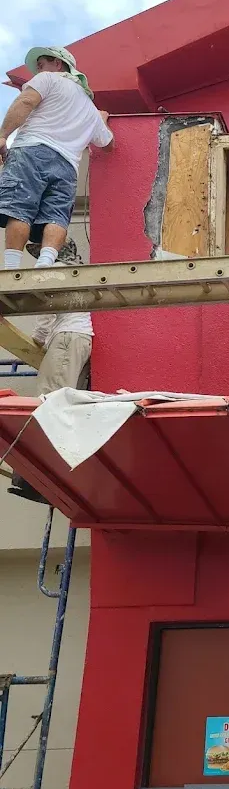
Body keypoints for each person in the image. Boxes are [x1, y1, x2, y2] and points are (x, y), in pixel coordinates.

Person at [0, 46, 113, 272]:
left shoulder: (48, 79)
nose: (37, 70)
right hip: (67, 166)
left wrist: (3, 135)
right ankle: (46, 263)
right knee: (56, 215)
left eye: (40, 64)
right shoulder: (90, 109)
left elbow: (26, 102)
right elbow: (108, 144)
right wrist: (102, 120)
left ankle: (12, 269)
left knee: (20, 207)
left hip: (33, 150)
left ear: (58, 64)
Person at [8, 237, 93, 504]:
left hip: (66, 338)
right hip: (77, 339)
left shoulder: (56, 270)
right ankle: (55, 477)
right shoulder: (77, 271)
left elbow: (46, 313)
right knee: (63, 409)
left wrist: (38, 338)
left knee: (48, 406)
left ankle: (39, 479)